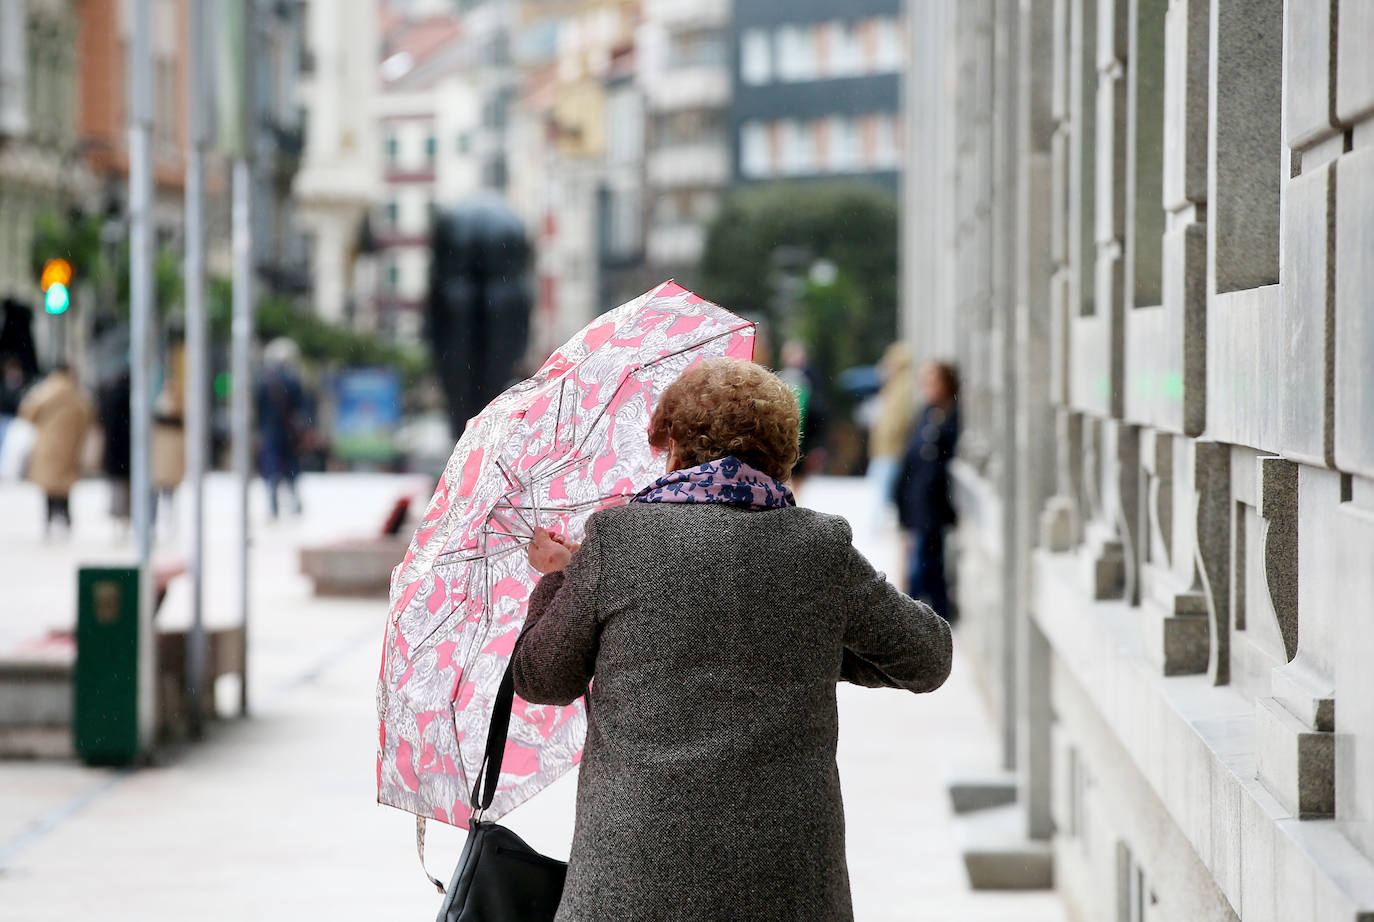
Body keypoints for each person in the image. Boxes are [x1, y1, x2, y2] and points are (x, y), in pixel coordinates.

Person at [514, 357, 952, 922]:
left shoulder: (617, 540)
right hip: (786, 884)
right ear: (781, 448)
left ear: (673, 443)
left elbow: (541, 677)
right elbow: (927, 658)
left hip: (635, 877)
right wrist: (803, 640)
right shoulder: (820, 548)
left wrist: (559, 573)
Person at [893, 361, 961, 623]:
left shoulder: (950, 416)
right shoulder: (925, 414)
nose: (927, 387)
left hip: (935, 505)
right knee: (924, 564)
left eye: (933, 381)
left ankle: (921, 618)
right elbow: (910, 459)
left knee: (926, 566)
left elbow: (941, 462)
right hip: (916, 502)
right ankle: (927, 616)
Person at [18, 363, 94, 534]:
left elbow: (27, 412)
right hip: (70, 446)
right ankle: (65, 517)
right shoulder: (77, 394)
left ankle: (49, 517)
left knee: (48, 484)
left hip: (47, 444)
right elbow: (88, 418)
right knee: (64, 485)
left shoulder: (44, 391)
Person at [255, 338, 309, 518]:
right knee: (291, 467)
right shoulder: (293, 380)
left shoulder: (263, 380)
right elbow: (302, 407)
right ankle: (294, 501)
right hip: (288, 431)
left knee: (271, 468)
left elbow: (258, 408)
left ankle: (273, 503)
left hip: (270, 430)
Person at [865, 341, 916, 530]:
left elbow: (897, 421)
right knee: (881, 487)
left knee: (882, 490)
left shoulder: (903, 387)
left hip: (892, 449)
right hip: (886, 448)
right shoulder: (894, 385)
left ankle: (878, 525)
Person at [777, 339, 829, 484]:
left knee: (797, 471)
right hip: (796, 429)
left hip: (804, 430)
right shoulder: (790, 374)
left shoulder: (808, 376)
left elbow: (817, 408)